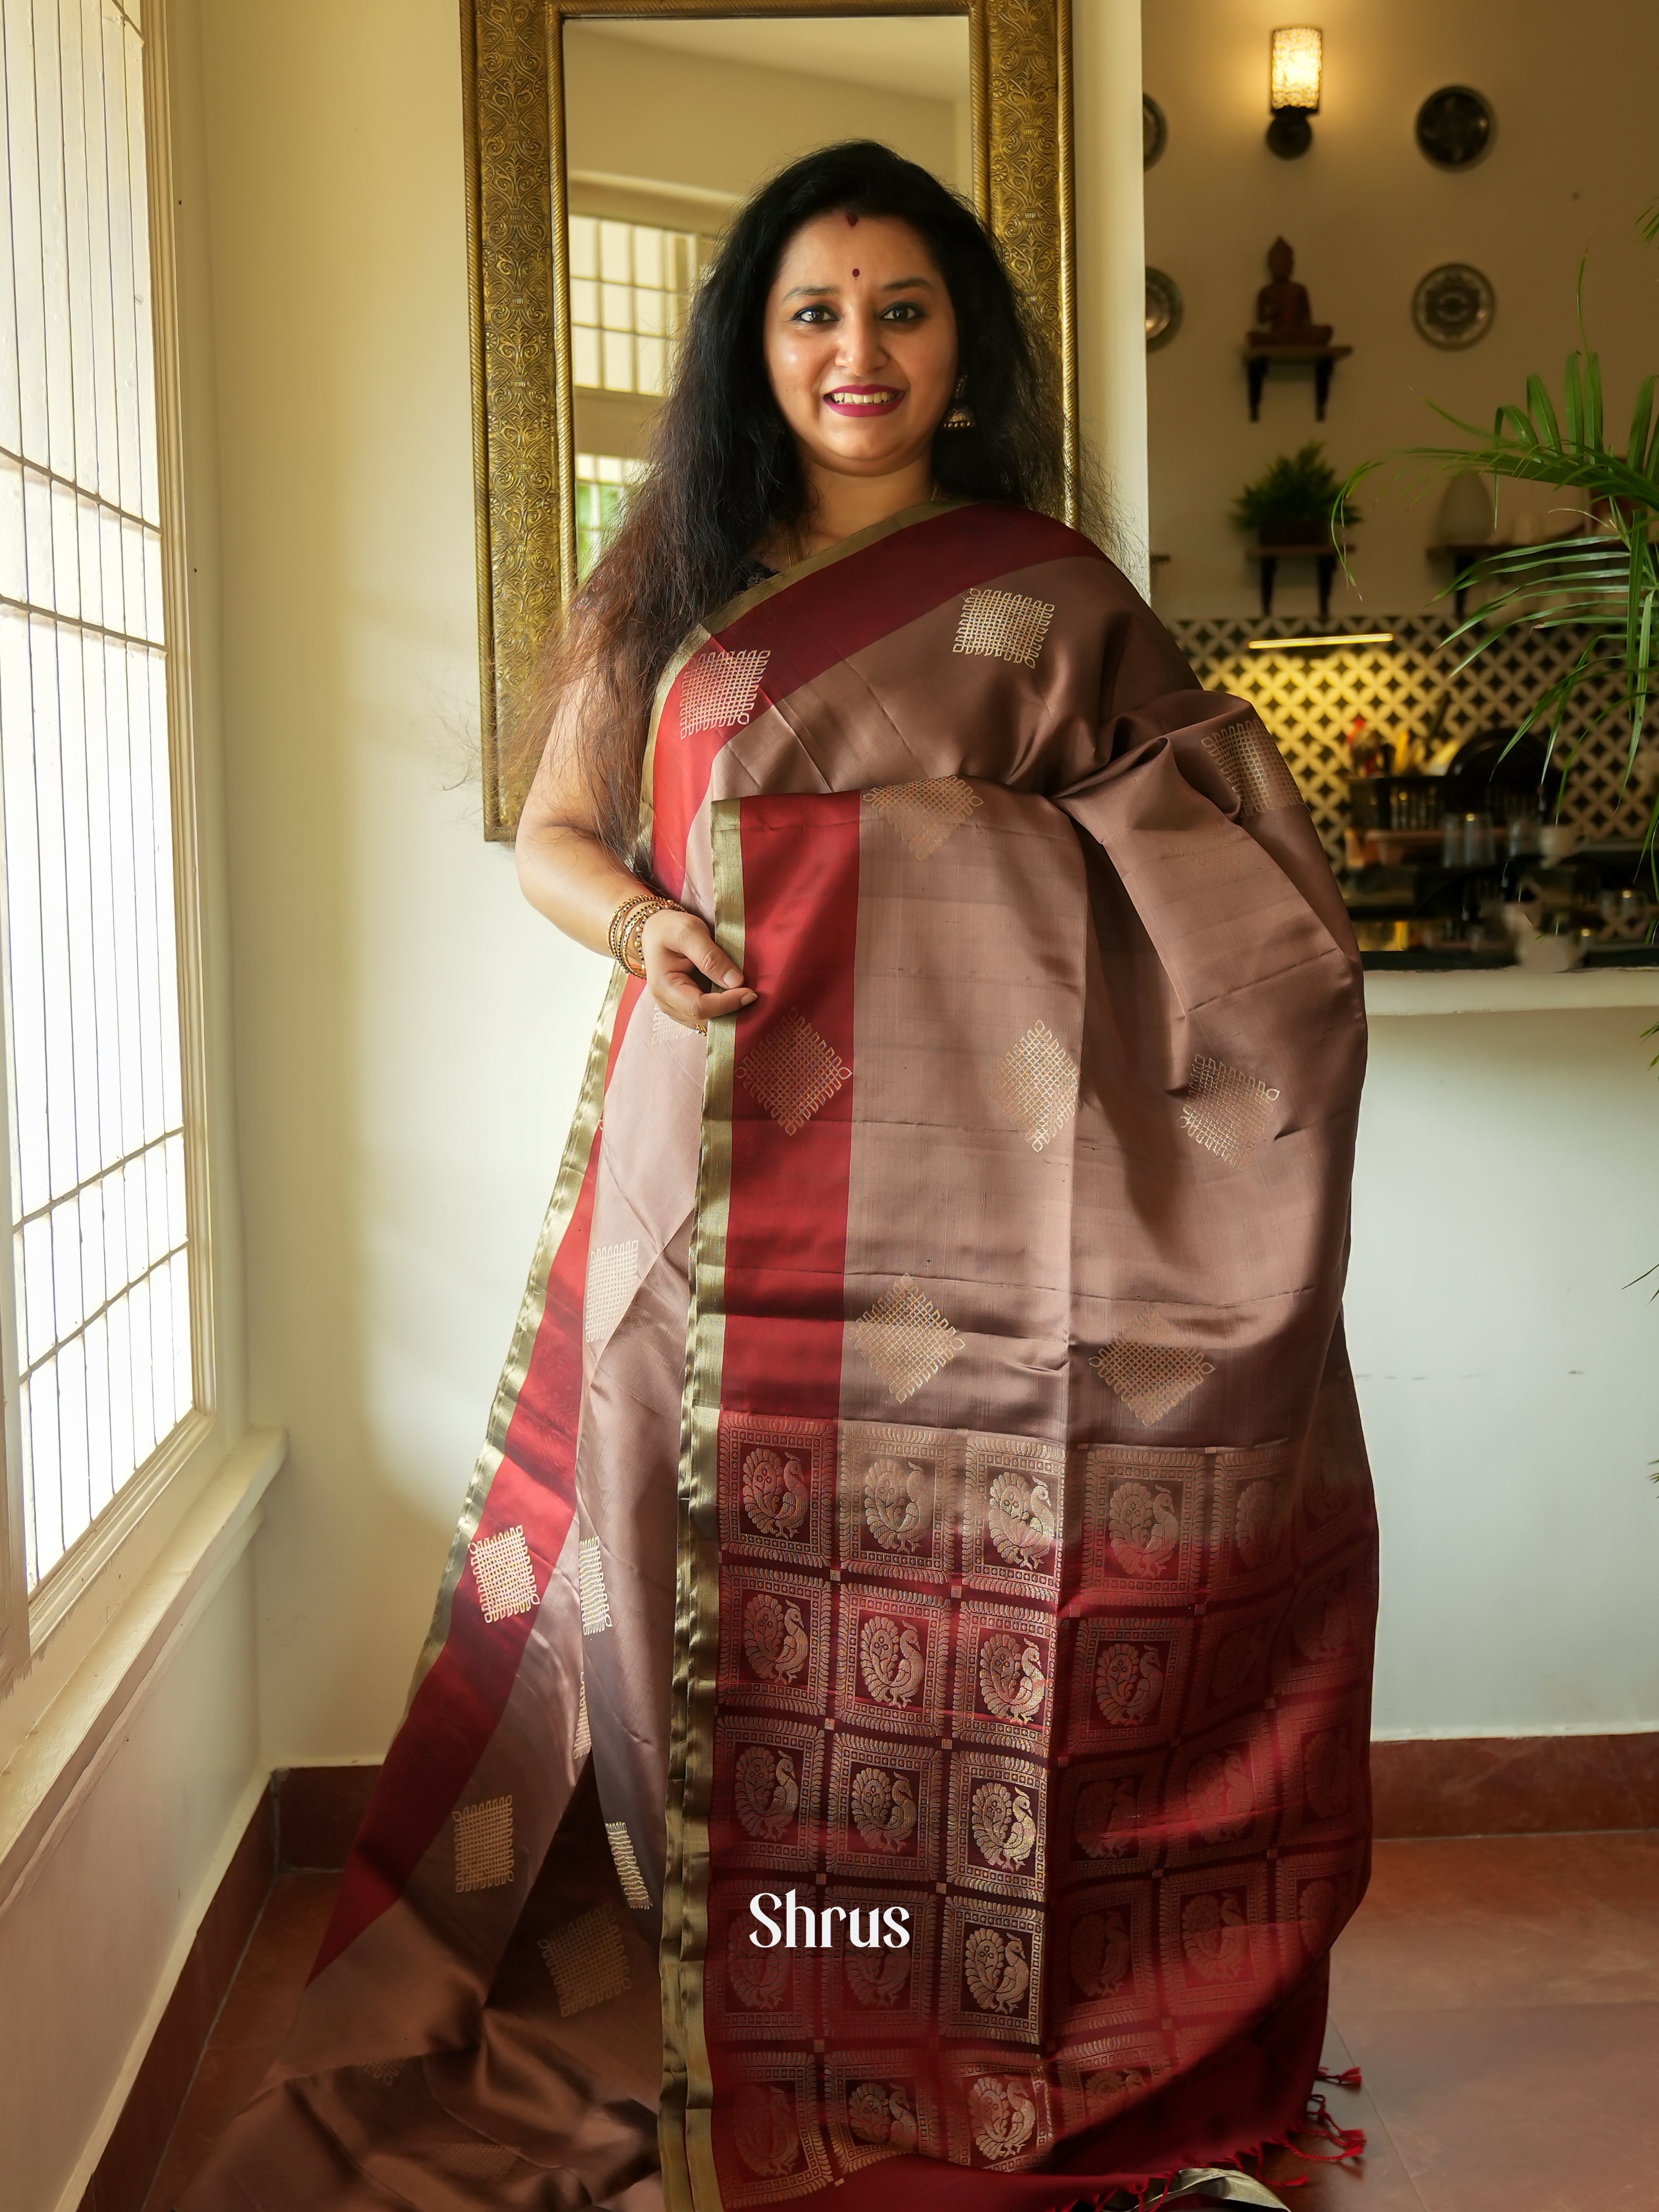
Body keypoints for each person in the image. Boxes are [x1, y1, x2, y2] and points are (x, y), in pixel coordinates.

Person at [184, 140, 1373, 2212]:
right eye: (813, 312)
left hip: (997, 1245)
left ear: (962, 349)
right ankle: (744, 1985)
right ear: (753, 343)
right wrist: (643, 923)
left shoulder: (1054, 592)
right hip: (700, 1179)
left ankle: (941, 2000)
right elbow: (560, 834)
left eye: (901, 310)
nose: (858, 352)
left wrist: (934, 854)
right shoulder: (666, 578)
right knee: (667, 1594)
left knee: (980, 1615)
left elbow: (1220, 867)